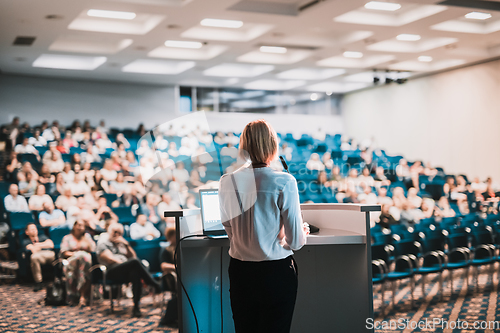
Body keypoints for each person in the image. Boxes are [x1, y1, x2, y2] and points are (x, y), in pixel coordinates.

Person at [218, 119, 308, 333]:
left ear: (244, 147)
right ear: (272, 146)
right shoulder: (284, 181)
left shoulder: (226, 181)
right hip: (275, 272)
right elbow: (296, 242)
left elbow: (229, 227)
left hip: (240, 271)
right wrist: (301, 232)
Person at [96, 223, 161, 317]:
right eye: (115, 232)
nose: (117, 235)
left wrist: (126, 245)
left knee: (135, 273)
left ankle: (136, 308)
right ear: (108, 232)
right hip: (111, 271)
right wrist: (126, 264)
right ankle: (152, 283)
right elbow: (109, 259)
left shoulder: (121, 243)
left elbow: (133, 256)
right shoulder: (103, 243)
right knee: (134, 263)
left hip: (125, 271)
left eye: (119, 233)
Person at [60, 219, 96, 306]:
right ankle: (79, 295)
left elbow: (93, 249)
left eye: (82, 226)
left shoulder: (87, 237)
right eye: (78, 225)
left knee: (84, 266)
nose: (80, 227)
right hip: (72, 261)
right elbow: (64, 252)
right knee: (81, 256)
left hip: (85, 264)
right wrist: (76, 254)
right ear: (74, 226)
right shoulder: (67, 238)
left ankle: (82, 296)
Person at [23, 223, 55, 291]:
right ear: (27, 232)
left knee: (57, 255)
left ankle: (58, 278)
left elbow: (51, 245)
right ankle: (38, 282)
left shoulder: (42, 236)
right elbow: (33, 250)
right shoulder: (26, 241)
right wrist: (44, 245)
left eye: (35, 228)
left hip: (49, 254)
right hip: (39, 257)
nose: (34, 230)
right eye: (32, 229)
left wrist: (38, 245)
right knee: (33, 257)